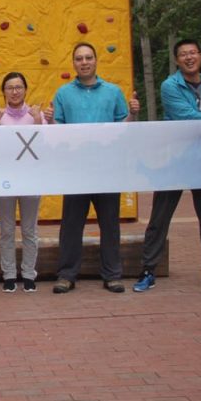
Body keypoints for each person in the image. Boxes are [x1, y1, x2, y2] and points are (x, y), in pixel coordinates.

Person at [134, 39, 201, 293]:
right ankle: (148, 270)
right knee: (160, 217)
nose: (189, 57)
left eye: (193, 53)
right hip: (174, 160)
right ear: (177, 60)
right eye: (183, 54)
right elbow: (185, 116)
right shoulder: (170, 86)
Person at [51, 43, 139, 294]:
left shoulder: (113, 92)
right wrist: (48, 120)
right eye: (79, 58)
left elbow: (124, 127)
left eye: (88, 57)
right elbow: (57, 132)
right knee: (71, 224)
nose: (84, 62)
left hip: (107, 169)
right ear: (73, 63)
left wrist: (133, 114)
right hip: (76, 171)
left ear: (96, 61)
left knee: (110, 223)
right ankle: (66, 275)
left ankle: (112, 275)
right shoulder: (63, 94)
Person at [0, 72, 52, 293]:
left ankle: (28, 274)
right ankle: (8, 274)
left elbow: (43, 145)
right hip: (5, 179)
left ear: (25, 90)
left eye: (18, 87)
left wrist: (37, 120)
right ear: (3, 91)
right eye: (9, 87)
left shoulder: (36, 114)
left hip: (31, 179)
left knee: (29, 229)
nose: (14, 91)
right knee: (6, 229)